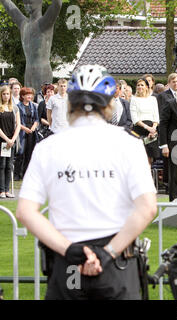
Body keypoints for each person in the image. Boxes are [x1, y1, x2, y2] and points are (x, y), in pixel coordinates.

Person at [15, 64, 157, 300]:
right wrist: (108, 252)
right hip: (116, 260)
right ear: (109, 103)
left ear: (71, 102)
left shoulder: (48, 147)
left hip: (66, 258)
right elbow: (148, 207)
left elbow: (25, 211)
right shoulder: (129, 144)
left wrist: (69, 250)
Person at [130, 78, 159, 166]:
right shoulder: (133, 99)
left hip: (152, 131)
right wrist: (148, 128)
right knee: (139, 156)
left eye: (142, 85)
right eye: (138, 85)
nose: (140, 87)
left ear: (147, 87)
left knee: (150, 157)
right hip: (139, 130)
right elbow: (135, 118)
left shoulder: (153, 99)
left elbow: (156, 116)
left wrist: (153, 129)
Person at [0, 85, 21, 198]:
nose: (6, 96)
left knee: (9, 165)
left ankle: (7, 190)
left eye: (8, 94)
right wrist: (7, 139)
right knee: (1, 165)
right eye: (4, 94)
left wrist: (12, 139)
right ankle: (1, 190)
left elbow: (18, 125)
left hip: (11, 141)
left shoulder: (15, 108)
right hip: (2, 140)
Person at [15, 87, 39, 180]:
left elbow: (36, 119)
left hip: (32, 132)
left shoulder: (33, 106)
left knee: (29, 153)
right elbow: (17, 121)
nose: (30, 96)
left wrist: (33, 127)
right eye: (27, 94)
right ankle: (17, 174)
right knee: (20, 153)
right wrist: (25, 129)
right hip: (22, 131)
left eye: (31, 94)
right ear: (22, 96)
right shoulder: (18, 106)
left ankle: (26, 173)